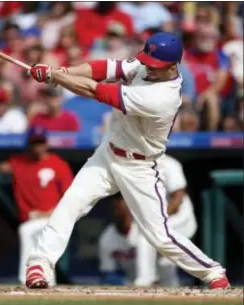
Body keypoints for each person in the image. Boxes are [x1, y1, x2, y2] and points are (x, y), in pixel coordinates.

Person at [25, 32, 229, 289]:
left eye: (154, 65)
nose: (147, 68)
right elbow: (105, 68)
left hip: (140, 166)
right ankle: (39, 264)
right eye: (147, 61)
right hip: (108, 153)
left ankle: (212, 272)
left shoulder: (163, 97)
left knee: (159, 236)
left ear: (173, 66)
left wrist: (57, 77)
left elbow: (98, 90)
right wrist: (63, 70)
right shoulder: (147, 66)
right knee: (71, 202)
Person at [99, 155, 198, 287]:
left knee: (145, 236)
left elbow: (178, 199)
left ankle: (144, 281)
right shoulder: (136, 168)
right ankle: (169, 292)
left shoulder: (169, 164)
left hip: (180, 221)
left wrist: (155, 218)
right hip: (161, 222)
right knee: (164, 263)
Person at [0, 126, 73, 284]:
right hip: (31, 218)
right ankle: (45, 279)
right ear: (29, 144)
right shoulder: (20, 162)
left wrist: (49, 213)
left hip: (54, 219)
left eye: (40, 142)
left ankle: (26, 277)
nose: (38, 147)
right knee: (29, 230)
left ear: (46, 143)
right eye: (34, 143)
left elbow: (70, 197)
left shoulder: (58, 164)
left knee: (26, 231)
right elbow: (2, 168)